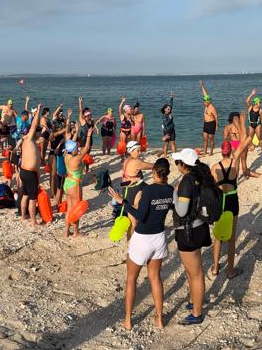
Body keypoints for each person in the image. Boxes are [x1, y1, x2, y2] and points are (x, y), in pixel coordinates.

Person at [108, 158, 174, 331]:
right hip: (159, 237)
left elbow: (140, 215)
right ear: (166, 173)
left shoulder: (149, 190)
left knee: (131, 279)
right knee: (155, 278)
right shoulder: (170, 189)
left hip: (143, 238)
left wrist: (123, 202)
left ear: (154, 173)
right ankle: (159, 319)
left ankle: (128, 320)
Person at [172, 148, 215, 325]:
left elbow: (181, 210)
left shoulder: (187, 182)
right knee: (193, 270)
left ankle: (197, 313)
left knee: (195, 273)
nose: (177, 165)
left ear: (184, 164)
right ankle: (193, 301)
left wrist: (175, 193)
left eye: (178, 162)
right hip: (200, 226)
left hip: (188, 231)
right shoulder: (201, 176)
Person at [211, 113, 251, 279]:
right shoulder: (235, 163)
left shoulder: (214, 167)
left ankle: (214, 267)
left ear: (222, 152)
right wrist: (242, 121)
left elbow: (211, 187)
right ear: (230, 151)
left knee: (218, 235)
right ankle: (230, 270)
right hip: (233, 199)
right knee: (231, 237)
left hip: (221, 199)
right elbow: (247, 138)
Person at [63, 128, 94, 238]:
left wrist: (75, 134)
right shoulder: (75, 160)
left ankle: (66, 232)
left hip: (67, 183)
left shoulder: (66, 155)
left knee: (69, 209)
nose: (78, 148)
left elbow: (69, 143)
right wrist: (89, 135)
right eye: (76, 147)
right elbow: (86, 149)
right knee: (76, 210)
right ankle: (75, 232)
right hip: (75, 185)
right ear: (73, 149)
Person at [17, 104, 45, 227]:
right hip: (29, 172)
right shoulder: (28, 139)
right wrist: (38, 111)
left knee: (26, 195)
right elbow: (33, 126)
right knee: (33, 198)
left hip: (25, 171)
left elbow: (39, 136)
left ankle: (23, 216)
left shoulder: (28, 140)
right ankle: (33, 221)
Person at [245, 90, 262, 157]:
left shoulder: (260, 110)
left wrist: (261, 126)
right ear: (256, 103)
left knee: (259, 137)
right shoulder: (250, 107)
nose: (260, 104)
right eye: (260, 102)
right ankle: (251, 146)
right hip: (251, 124)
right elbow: (247, 101)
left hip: (257, 125)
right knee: (249, 137)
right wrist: (252, 94)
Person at [200, 81, 217, 156]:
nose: (204, 102)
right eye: (204, 101)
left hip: (211, 124)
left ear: (208, 101)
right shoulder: (206, 106)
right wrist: (202, 86)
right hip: (206, 124)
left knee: (211, 139)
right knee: (205, 139)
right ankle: (205, 151)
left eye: (205, 101)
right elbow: (205, 94)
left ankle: (211, 152)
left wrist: (217, 125)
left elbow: (216, 116)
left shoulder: (212, 107)